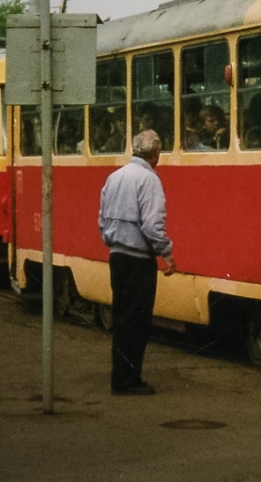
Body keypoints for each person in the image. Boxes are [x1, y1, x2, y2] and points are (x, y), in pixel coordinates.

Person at [98, 130, 176, 395]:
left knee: (122, 319)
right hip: (139, 260)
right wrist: (166, 253)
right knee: (137, 322)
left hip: (117, 257)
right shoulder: (149, 180)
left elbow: (102, 219)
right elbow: (153, 226)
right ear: (155, 153)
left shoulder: (115, 177)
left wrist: (114, 240)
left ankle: (120, 377)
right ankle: (128, 381)